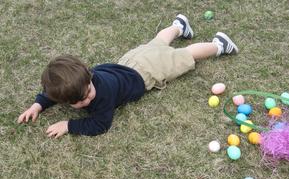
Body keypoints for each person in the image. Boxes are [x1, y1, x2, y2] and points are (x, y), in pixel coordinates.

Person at [18, 14, 238, 138]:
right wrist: (38, 105)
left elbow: (100, 124)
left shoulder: (101, 95)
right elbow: (53, 93)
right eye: (80, 101)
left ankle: (219, 45)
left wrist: (69, 125)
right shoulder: (80, 81)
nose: (88, 99)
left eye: (88, 93)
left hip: (146, 72)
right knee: (158, 43)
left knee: (184, 56)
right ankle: (179, 26)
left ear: (89, 77)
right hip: (129, 61)